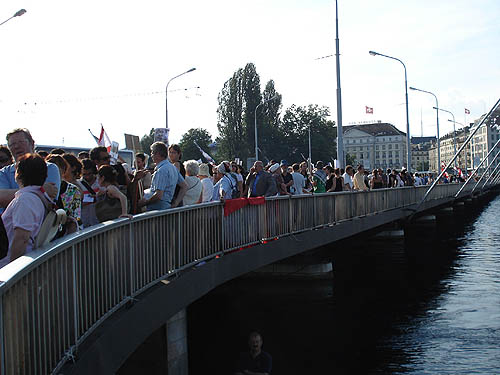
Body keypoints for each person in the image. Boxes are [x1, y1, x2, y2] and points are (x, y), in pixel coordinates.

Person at [0, 154, 48, 268]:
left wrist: (12, 272)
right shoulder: (37, 197)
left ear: (19, 174)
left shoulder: (25, 200)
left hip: (9, 267)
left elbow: (21, 238)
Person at [0, 128, 60, 211]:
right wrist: (40, 189)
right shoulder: (3, 173)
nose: (16, 146)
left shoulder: (50, 168)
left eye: (21, 142)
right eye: (12, 144)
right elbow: (1, 199)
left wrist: (13, 194)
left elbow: (49, 199)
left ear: (32, 143)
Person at [137, 142, 187, 211]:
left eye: (152, 153)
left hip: (158, 209)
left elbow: (158, 195)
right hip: (165, 207)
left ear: (157, 154)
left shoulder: (161, 170)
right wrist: (176, 203)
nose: (151, 155)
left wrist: (145, 202)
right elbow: (184, 186)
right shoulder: (172, 168)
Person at [46, 154, 82, 232]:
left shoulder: (74, 190)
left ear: (63, 171)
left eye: (57, 168)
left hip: (65, 235)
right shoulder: (41, 188)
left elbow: (76, 217)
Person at [79, 159, 100, 228]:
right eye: (84, 174)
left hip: (98, 222)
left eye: (89, 174)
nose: (87, 177)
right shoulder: (78, 184)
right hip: (83, 223)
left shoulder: (100, 183)